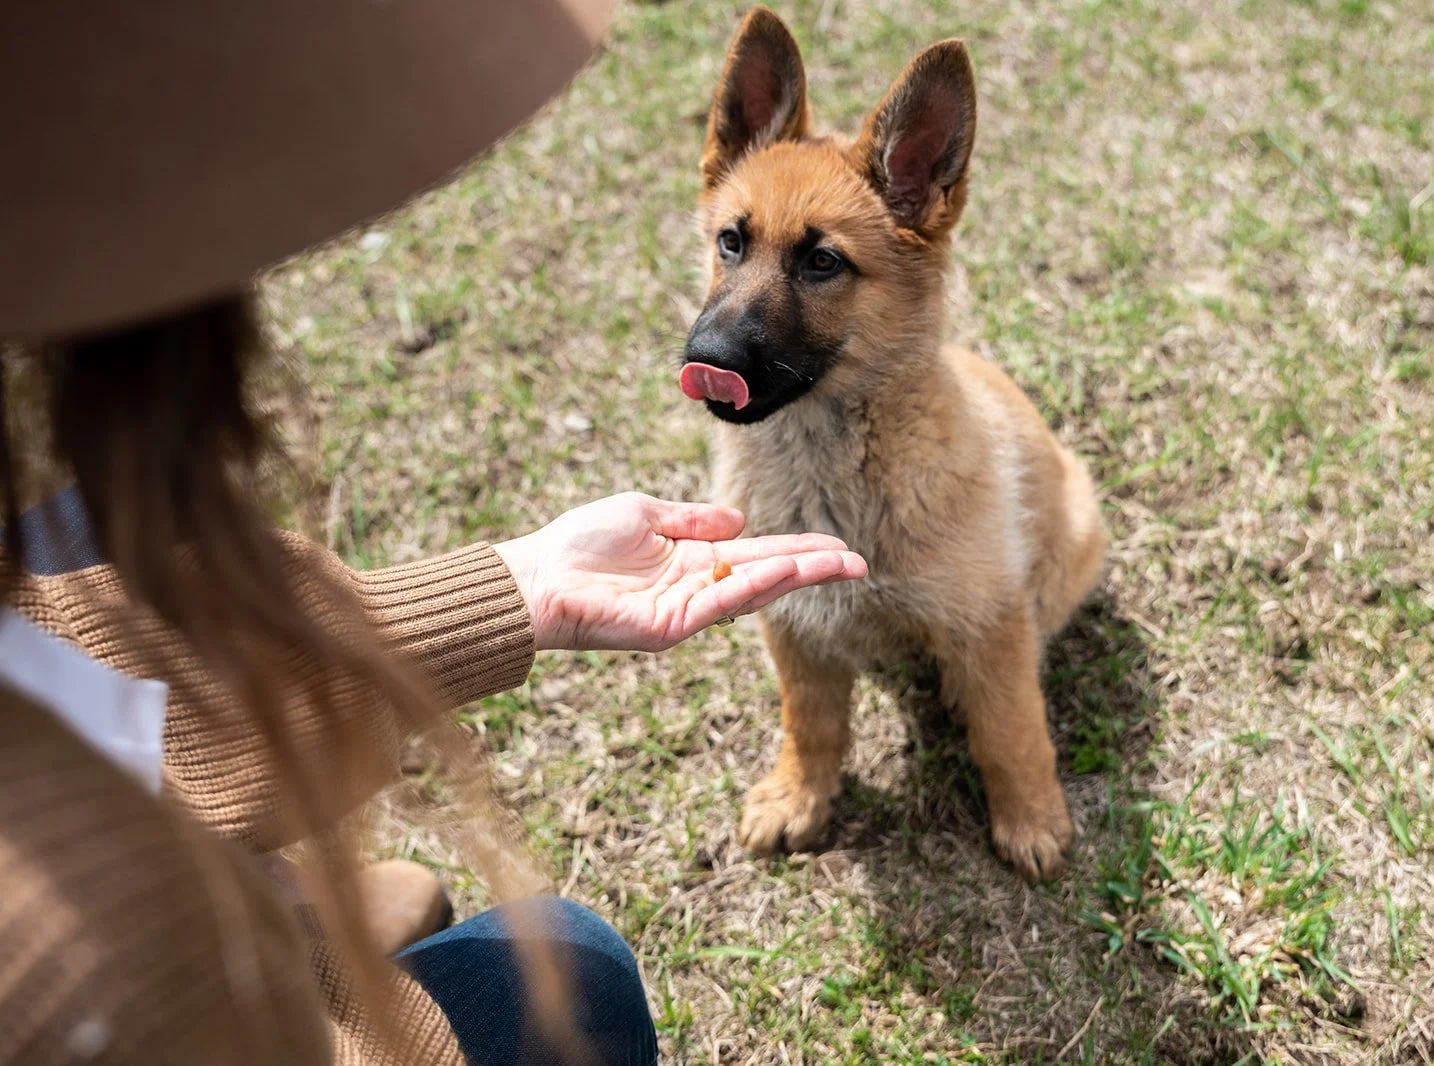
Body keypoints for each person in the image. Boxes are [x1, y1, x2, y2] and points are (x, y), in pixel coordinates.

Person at [0, 3, 867, 1066]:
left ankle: (278, 895)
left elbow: (43, 644)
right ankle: (277, 912)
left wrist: (513, 584)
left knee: (69, 522)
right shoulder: (68, 959)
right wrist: (235, 929)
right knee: (572, 964)